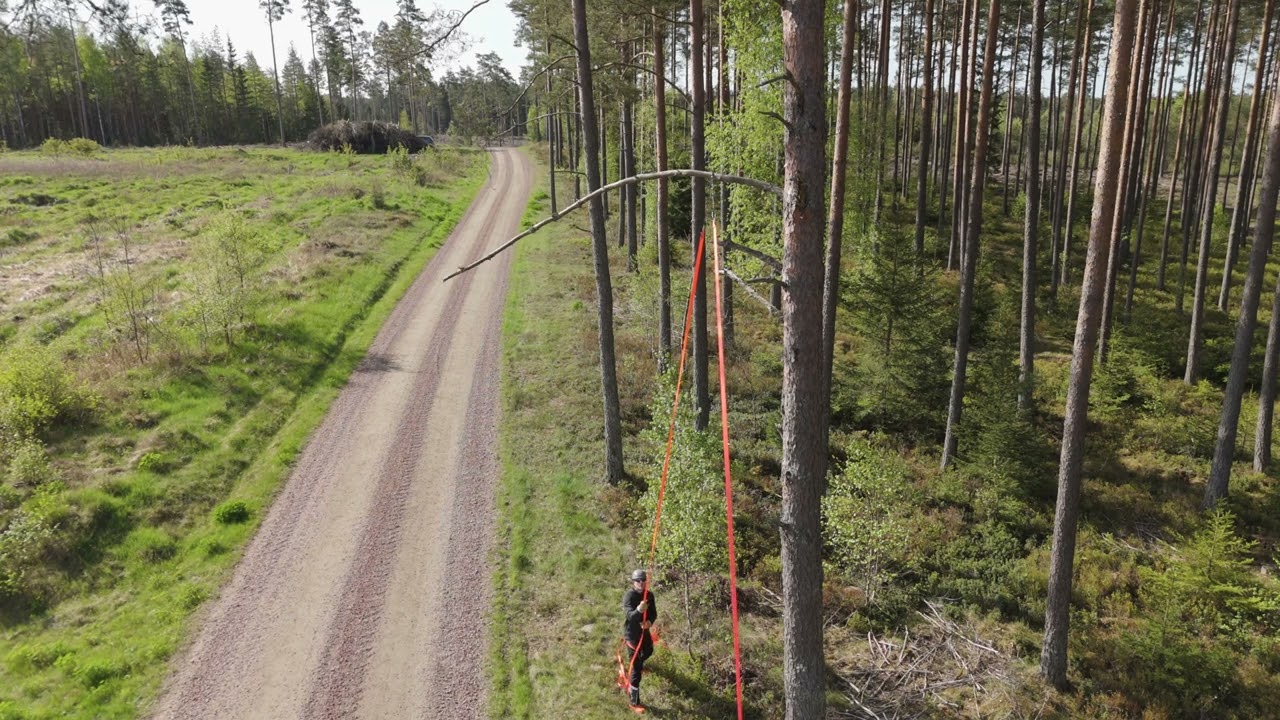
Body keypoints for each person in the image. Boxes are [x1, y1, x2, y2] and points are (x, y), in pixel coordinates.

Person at [622, 569, 657, 710]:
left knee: (649, 650)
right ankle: (634, 702)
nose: (641, 583)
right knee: (636, 671)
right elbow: (631, 616)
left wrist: (649, 622)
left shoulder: (649, 595)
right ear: (633, 582)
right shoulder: (629, 596)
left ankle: (638, 664)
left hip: (644, 632)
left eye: (643, 580)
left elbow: (654, 613)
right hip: (632, 635)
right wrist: (639, 610)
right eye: (638, 581)